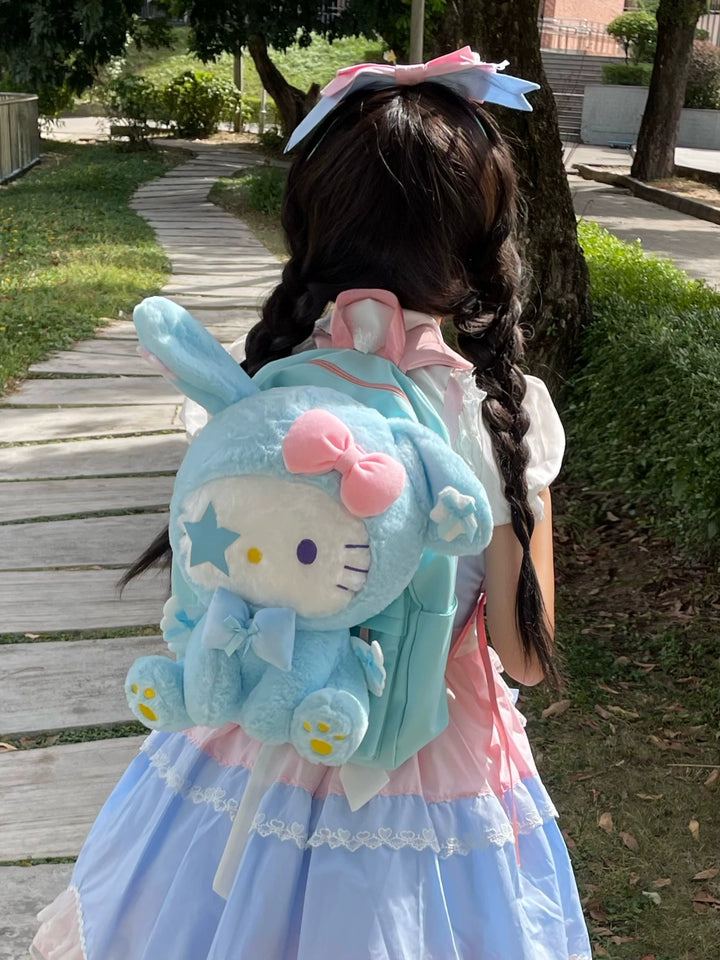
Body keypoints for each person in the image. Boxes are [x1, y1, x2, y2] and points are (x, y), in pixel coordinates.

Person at [32, 50, 592, 960]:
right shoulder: (502, 415)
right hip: (424, 762)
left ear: (314, 224)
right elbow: (523, 658)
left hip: (249, 729)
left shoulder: (268, 383)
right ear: (480, 242)